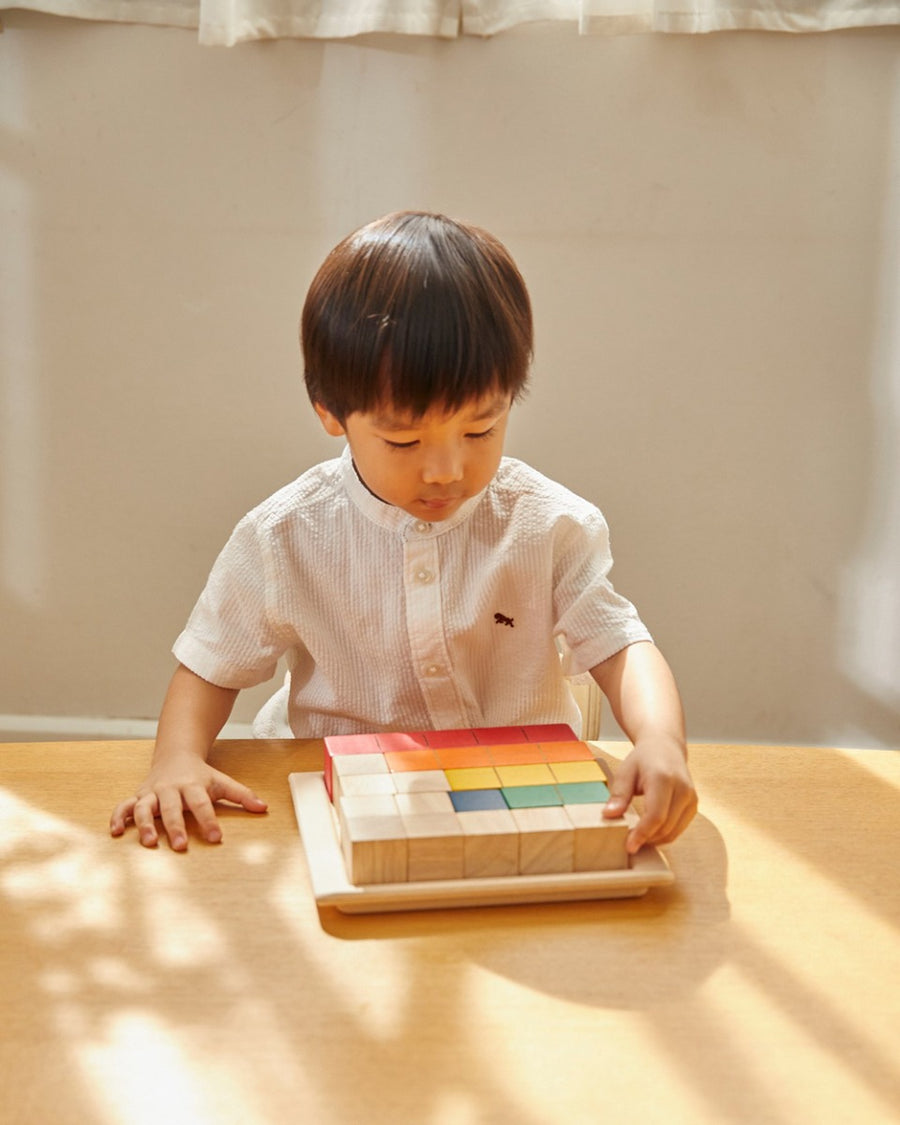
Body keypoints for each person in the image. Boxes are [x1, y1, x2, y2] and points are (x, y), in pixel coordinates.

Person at [110, 210, 697, 854]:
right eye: (403, 439)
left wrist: (661, 740)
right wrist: (175, 759)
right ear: (331, 413)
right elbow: (209, 667)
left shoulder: (549, 525)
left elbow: (619, 646)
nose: (447, 470)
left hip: (515, 789)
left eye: (481, 431)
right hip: (338, 786)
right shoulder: (285, 536)